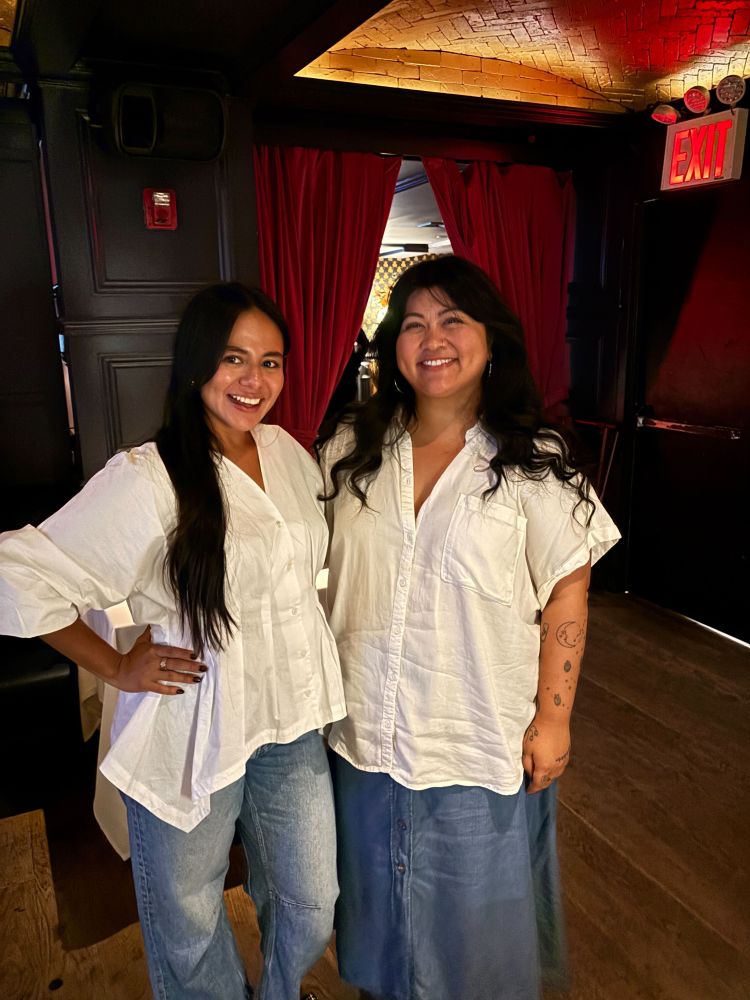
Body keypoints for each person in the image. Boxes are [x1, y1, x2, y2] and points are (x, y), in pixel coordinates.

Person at [0, 283, 346, 1000]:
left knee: (312, 902)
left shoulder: (286, 452)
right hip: (194, 724)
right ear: (195, 367)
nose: (254, 380)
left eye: (271, 361)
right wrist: (116, 665)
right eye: (233, 359)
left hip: (291, 720)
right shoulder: (148, 476)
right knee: (188, 926)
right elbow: (21, 572)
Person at [317, 255, 621, 1000]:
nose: (433, 337)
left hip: (474, 733)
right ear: (392, 346)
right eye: (414, 323)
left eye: (454, 319)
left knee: (476, 939)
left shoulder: (533, 463)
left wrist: (555, 718)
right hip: (362, 733)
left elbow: (568, 591)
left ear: (491, 340)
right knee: (376, 921)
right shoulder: (352, 449)